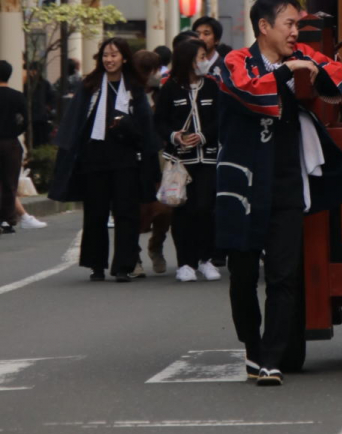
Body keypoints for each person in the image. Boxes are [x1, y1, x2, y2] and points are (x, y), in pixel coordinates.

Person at [215, 0, 342, 386]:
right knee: (242, 274)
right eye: (289, 23)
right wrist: (290, 71)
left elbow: (340, 77)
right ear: (264, 27)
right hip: (244, 183)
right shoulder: (235, 61)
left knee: (285, 274)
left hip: (286, 180)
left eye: (298, 25)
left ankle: (272, 357)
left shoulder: (299, 54)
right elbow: (248, 91)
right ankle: (252, 347)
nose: (295, 32)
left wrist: (313, 69)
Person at [49, 38, 157, 281]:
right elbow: (76, 122)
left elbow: (146, 128)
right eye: (105, 55)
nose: (109, 60)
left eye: (114, 55)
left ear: (125, 58)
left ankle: (124, 265)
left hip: (125, 157)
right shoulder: (90, 85)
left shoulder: (134, 87)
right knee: (95, 213)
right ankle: (96, 264)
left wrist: (129, 128)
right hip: (94, 157)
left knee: (126, 213)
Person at [155, 37, 221, 282]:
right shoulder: (170, 88)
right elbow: (159, 121)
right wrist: (175, 136)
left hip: (208, 159)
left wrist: (204, 136)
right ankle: (185, 262)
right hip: (180, 162)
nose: (205, 62)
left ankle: (206, 259)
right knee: (183, 211)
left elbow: (220, 119)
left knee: (206, 208)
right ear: (187, 60)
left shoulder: (213, 86)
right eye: (201, 58)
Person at [133, 48, 171, 275]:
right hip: (136, 156)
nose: (150, 75)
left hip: (161, 154)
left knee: (165, 208)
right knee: (136, 209)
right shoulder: (127, 92)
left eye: (153, 70)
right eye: (145, 70)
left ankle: (156, 246)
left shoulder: (163, 92)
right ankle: (133, 254)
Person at [0, 61, 26, 233]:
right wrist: (15, 131)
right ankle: (8, 220)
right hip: (10, 142)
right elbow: (25, 120)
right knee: (10, 182)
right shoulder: (17, 96)